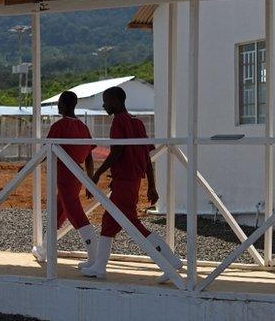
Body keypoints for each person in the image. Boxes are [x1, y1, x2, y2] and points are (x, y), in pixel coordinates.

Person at [81, 86, 182, 280]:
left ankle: (170, 262)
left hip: (125, 182)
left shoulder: (119, 122)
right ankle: (99, 268)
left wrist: (98, 173)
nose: (104, 105)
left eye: (107, 100)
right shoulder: (138, 123)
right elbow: (146, 156)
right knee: (109, 223)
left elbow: (117, 152)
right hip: (132, 181)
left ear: (117, 101)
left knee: (133, 224)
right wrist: (151, 185)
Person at [31, 91, 98, 269]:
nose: (58, 106)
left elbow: (45, 152)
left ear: (63, 105)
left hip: (64, 177)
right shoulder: (84, 127)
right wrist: (90, 182)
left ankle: (95, 258)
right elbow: (90, 158)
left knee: (76, 215)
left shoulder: (59, 126)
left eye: (60, 102)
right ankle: (44, 251)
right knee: (57, 215)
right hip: (78, 176)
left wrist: (29, 165)